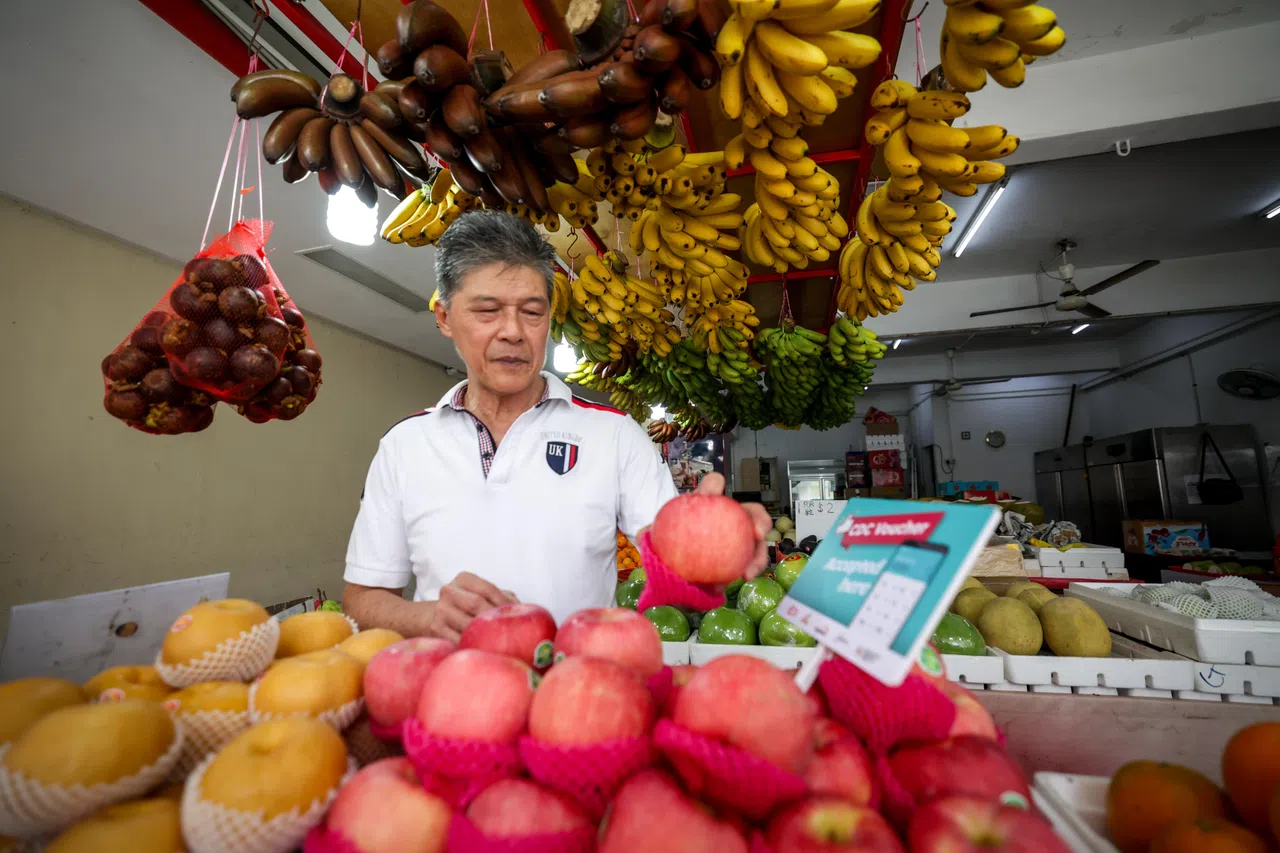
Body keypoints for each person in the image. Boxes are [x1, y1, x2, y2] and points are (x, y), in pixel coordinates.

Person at [342, 211, 770, 640]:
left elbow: (674, 555)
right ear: (445, 317)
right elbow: (362, 600)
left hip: (580, 692)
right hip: (450, 696)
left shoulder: (614, 435)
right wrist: (429, 617)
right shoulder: (404, 446)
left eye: (532, 312)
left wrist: (715, 546)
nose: (513, 332)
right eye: (487, 311)